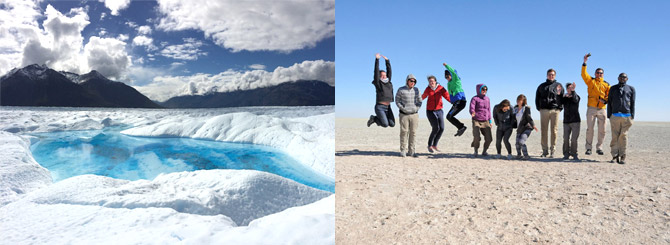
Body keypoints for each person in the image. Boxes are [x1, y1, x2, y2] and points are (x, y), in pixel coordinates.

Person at [581, 53, 610, 155]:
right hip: (591, 108)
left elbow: (609, 96)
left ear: (603, 74)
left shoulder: (606, 84)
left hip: (602, 109)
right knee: (590, 129)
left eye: (601, 73)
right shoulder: (590, 81)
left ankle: (599, 147)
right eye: (597, 72)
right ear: (595, 73)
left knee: (602, 130)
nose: (599, 74)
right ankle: (588, 148)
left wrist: (605, 100)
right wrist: (585, 63)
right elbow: (583, 74)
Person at [607, 73, 635, 164]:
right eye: (621, 77)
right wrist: (609, 115)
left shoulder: (631, 89)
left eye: (624, 77)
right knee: (615, 136)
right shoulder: (613, 88)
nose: (623, 78)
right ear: (618, 78)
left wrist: (632, 115)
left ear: (627, 78)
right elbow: (609, 102)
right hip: (615, 115)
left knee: (623, 136)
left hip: (626, 116)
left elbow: (633, 102)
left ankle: (623, 156)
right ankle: (614, 156)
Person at [535, 68, 564, 157]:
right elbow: (537, 98)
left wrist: (560, 108)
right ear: (547, 75)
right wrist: (539, 108)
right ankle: (545, 151)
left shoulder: (558, 86)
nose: (551, 76)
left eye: (552, 75)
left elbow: (562, 97)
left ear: (555, 76)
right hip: (544, 110)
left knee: (554, 131)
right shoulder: (542, 86)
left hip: (555, 110)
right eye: (549, 74)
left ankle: (553, 150)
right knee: (544, 131)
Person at [421, 75, 450, 153]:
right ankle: (429, 145)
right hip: (430, 111)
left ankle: (435, 145)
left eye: (432, 81)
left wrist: (453, 102)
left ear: (435, 81)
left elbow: (447, 96)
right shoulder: (428, 89)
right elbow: (423, 96)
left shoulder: (441, 88)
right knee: (435, 128)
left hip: (439, 110)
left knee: (442, 128)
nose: (431, 83)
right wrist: (417, 100)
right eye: (430, 81)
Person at [396, 74, 422, 157]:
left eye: (414, 81)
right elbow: (397, 101)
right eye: (411, 81)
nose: (413, 82)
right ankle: (403, 150)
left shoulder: (417, 90)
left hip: (414, 114)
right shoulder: (401, 89)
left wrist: (416, 108)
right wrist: (403, 109)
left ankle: (412, 151)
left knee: (413, 132)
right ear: (407, 81)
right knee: (404, 132)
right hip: (404, 115)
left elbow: (420, 101)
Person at [367, 53, 395, 128]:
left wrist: (387, 61)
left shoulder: (388, 82)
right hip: (380, 107)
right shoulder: (378, 83)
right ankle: (374, 118)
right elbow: (376, 72)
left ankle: (379, 118)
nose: (384, 76)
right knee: (385, 124)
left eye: (385, 75)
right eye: (382, 75)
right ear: (379, 76)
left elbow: (389, 72)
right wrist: (377, 60)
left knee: (392, 124)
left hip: (388, 107)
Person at [443, 62, 468, 136]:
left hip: (460, 101)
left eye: (448, 76)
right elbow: (450, 93)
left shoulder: (456, 80)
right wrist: (451, 101)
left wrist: (446, 66)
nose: (447, 78)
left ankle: (461, 127)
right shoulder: (449, 84)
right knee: (449, 117)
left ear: (451, 75)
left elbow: (454, 72)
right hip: (456, 103)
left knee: (449, 116)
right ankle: (461, 127)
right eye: (445, 77)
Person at [469, 84, 492, 157]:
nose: (484, 91)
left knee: (489, 138)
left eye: (486, 89)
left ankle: (484, 151)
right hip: (476, 120)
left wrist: (490, 121)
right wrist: (472, 112)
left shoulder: (487, 99)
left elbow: (489, 110)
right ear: (479, 90)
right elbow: (472, 107)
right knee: (477, 137)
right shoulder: (474, 98)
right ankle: (475, 151)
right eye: (483, 89)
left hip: (486, 120)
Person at [514, 94, 538, 160]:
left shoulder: (526, 108)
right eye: (518, 99)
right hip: (519, 128)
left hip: (527, 127)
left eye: (520, 100)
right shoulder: (515, 109)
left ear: (523, 101)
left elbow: (529, 117)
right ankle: (519, 155)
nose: (518, 101)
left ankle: (526, 155)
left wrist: (533, 125)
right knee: (517, 143)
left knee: (521, 141)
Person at [561, 82, 581, 160]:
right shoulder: (564, 98)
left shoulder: (577, 96)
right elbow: (559, 102)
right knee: (565, 138)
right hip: (566, 121)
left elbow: (575, 100)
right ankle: (566, 153)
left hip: (575, 121)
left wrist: (573, 92)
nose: (570, 89)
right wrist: (560, 94)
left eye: (571, 88)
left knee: (574, 139)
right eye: (568, 88)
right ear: (566, 89)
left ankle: (574, 153)